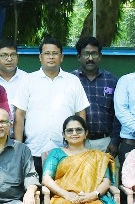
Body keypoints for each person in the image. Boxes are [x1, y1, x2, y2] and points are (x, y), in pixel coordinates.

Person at [15, 38, 89, 170]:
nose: (51, 57)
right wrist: (19, 147)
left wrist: (79, 144)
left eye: (55, 53)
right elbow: (19, 115)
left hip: (66, 150)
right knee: (33, 183)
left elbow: (81, 113)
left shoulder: (73, 81)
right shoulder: (28, 80)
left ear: (61, 57)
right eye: (47, 53)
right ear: (40, 57)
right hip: (33, 149)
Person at [73, 36, 120, 155]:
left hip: (105, 143)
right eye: (86, 54)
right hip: (77, 142)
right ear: (79, 57)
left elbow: (118, 114)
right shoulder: (70, 80)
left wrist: (115, 141)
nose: (90, 58)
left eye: (94, 54)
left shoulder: (111, 80)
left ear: (100, 56)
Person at [0, 38, 31, 125]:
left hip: (21, 129)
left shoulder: (27, 79)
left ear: (17, 57)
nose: (9, 59)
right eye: (4, 55)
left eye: (13, 55)